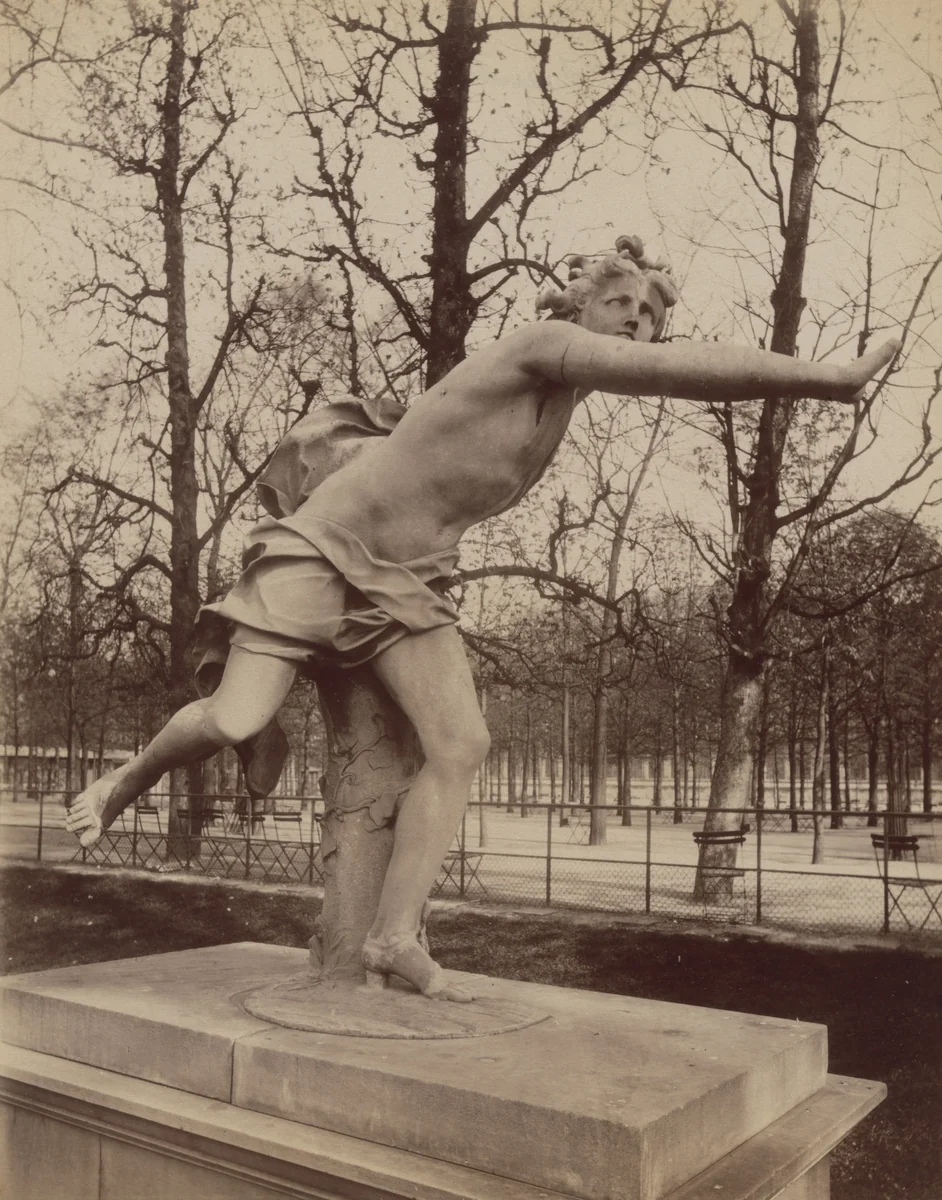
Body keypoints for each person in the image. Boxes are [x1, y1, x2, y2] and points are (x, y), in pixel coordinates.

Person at [66, 235, 900, 1000]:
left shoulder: (560, 404)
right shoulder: (538, 347)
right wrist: (828, 379)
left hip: (409, 582)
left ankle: (393, 936)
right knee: (233, 715)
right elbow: (690, 371)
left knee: (462, 744)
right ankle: (121, 782)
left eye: (647, 316)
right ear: (579, 307)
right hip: (326, 548)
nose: (637, 325)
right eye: (622, 307)